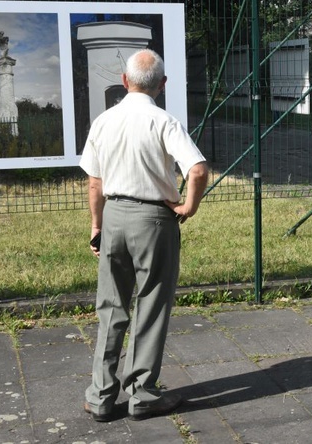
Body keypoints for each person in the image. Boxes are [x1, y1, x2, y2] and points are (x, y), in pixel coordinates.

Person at [79, 48, 208, 422]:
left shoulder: (104, 121)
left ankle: (101, 395)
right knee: (151, 306)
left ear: (124, 81)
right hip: (154, 220)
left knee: (111, 307)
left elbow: (94, 182)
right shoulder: (164, 122)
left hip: (114, 213)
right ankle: (142, 394)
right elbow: (197, 171)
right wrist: (188, 207)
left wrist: (97, 225)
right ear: (162, 85)